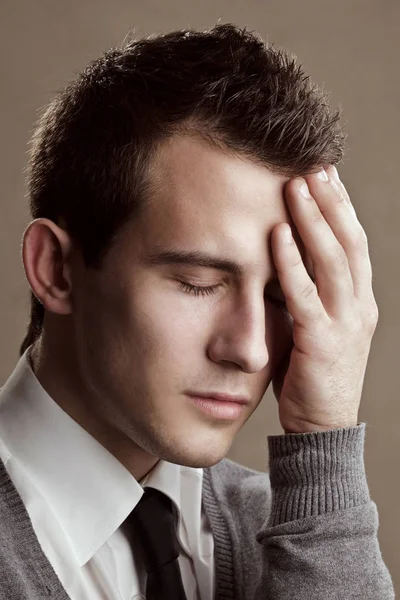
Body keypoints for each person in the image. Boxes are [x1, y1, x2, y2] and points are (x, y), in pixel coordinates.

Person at [0, 22, 395, 600]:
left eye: (281, 298)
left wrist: (323, 440)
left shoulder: (304, 539)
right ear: (57, 270)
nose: (251, 349)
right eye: (197, 283)